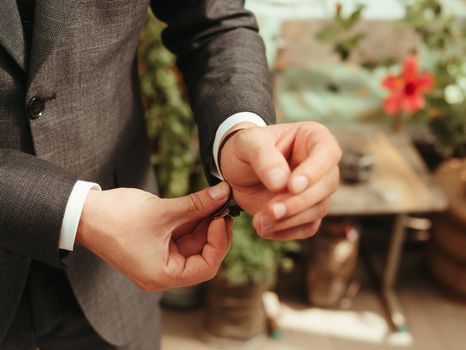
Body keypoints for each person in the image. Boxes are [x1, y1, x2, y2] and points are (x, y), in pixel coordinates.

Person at [0, 0, 341, 349]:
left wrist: (238, 131)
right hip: (115, 231)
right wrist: (77, 212)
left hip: (112, 285)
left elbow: (211, 22)